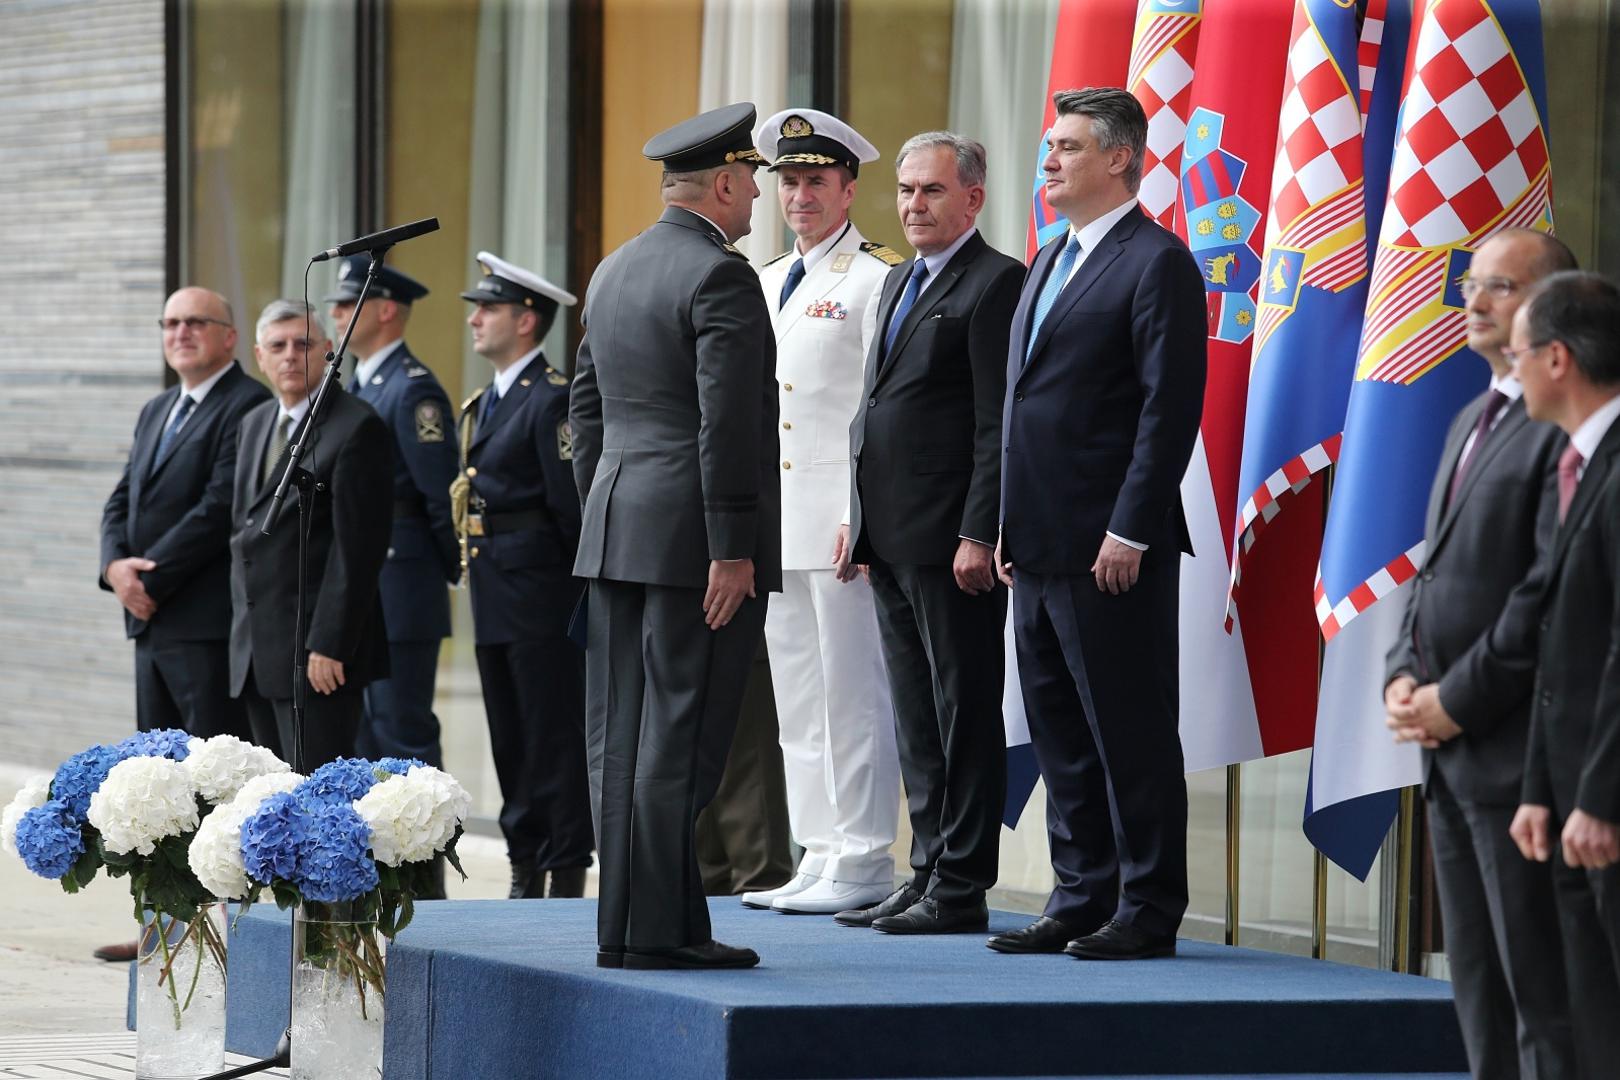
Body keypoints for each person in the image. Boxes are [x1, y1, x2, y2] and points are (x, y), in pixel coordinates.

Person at [989, 88, 1205, 961]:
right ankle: (1081, 895)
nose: (1049, 161)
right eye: (1048, 146)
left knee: (1129, 732)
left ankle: (1148, 907)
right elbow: (1020, 408)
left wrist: (1132, 527)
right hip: (1035, 544)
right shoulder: (1048, 260)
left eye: (1068, 147)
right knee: (1061, 735)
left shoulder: (1157, 262)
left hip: (1112, 545)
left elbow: (1168, 410)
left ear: (1120, 158)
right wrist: (1002, 522)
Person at [570, 101, 779, 970]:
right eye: (754, 185)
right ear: (726, 183)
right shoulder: (719, 276)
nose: (758, 202)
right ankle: (658, 931)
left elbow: (584, 412)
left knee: (620, 737)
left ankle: (637, 925)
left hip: (621, 532)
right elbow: (726, 426)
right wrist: (731, 547)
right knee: (682, 738)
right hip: (694, 544)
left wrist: (609, 508)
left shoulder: (614, 270)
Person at [1383, 229, 1579, 1080]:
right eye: (1471, 282)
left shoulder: (1557, 428)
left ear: (1549, 305)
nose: (1473, 300)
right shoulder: (1473, 412)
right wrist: (1402, 672)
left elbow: (1546, 591)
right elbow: (1434, 574)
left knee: (1539, 987)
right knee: (1475, 983)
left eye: (1497, 287)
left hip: (1511, 750)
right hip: (1446, 749)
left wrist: (1454, 698)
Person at [836, 130, 1022, 935]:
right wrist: (861, 520)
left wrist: (980, 530)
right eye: (907, 191)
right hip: (892, 538)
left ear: (973, 198)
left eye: (932, 191)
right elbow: (873, 409)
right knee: (916, 714)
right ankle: (927, 870)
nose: (914, 205)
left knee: (963, 711)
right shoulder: (900, 279)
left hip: (953, 546)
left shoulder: (996, 283)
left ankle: (963, 883)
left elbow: (995, 424)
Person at [741, 107, 902, 916]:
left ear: (848, 187)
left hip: (840, 518)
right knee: (798, 693)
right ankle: (819, 847)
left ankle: (867, 855)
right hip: (777, 523)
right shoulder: (766, 279)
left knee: (854, 692)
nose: (800, 194)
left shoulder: (877, 278)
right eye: (789, 180)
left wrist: (861, 512)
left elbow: (882, 409)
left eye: (816, 180)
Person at [94, 286, 270, 962]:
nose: (181, 332)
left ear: (229, 337)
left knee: (209, 782)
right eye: (170, 322)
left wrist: (149, 579)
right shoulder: (157, 407)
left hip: (202, 623)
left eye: (197, 322)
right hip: (151, 622)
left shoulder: (245, 406)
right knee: (158, 785)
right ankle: (164, 927)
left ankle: (218, 933)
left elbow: (221, 505)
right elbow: (120, 499)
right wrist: (115, 567)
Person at [1507, 270, 1620, 1077]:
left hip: (1604, 806)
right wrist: (1543, 790)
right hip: (1570, 799)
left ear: (1555, 359)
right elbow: (1560, 641)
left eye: (1516, 353)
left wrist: (1598, 798)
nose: (1507, 370)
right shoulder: (1576, 462)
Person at [456, 251, 594, 901]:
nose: (476, 320)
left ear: (528, 320)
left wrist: (578, 594)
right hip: (494, 589)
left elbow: (569, 506)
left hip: (541, 592)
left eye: (490, 309)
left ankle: (563, 864)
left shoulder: (552, 398)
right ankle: (524, 859)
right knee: (510, 736)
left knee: (550, 734)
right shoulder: (485, 402)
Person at [228, 300, 393, 771]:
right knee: (270, 798)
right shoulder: (255, 423)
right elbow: (243, 535)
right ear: (259, 356)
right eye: (277, 346)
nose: (289, 355)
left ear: (326, 351)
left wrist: (330, 644)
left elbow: (357, 551)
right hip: (256, 651)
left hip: (315, 656)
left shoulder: (356, 426)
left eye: (303, 344)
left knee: (317, 795)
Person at [327, 256, 460, 770]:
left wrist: (448, 568)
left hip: (402, 586)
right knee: (360, 738)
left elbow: (439, 494)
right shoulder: (355, 388)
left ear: (384, 311)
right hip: (360, 587)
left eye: (347, 304)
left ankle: (426, 852)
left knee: (401, 732)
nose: (336, 315)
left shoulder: (412, 389)